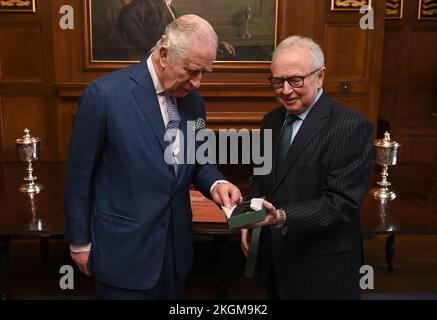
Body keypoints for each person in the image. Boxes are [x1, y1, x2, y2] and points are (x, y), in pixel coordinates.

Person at [65, 14, 241, 300]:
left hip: (175, 254)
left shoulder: (194, 102)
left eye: (204, 73)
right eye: (192, 71)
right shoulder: (104, 96)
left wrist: (216, 183)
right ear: (163, 54)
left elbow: (199, 159)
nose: (197, 83)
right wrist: (79, 243)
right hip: (123, 253)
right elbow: (79, 177)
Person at [240, 35, 374, 299]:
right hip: (276, 264)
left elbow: (341, 203)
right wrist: (247, 216)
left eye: (295, 80)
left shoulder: (351, 127)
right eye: (278, 81)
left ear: (320, 76)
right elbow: (262, 180)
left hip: (323, 270)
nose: (285, 90)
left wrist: (281, 216)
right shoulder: (271, 121)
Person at [117, 0, 235, 59]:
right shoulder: (141, 7)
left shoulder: (167, 7)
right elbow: (148, 47)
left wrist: (213, 45)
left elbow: (180, 37)